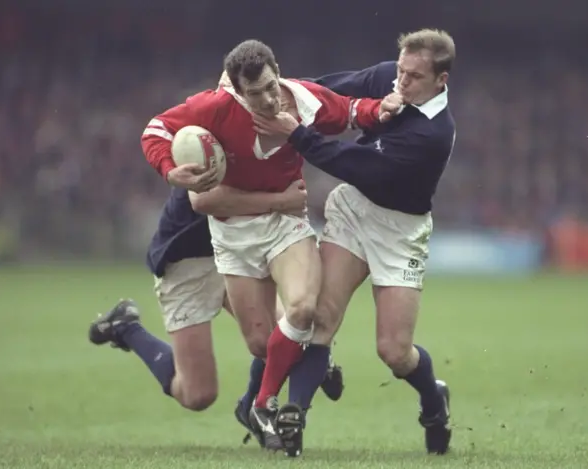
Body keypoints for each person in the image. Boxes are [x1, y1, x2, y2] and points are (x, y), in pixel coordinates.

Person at [139, 39, 399, 453]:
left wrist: (378, 110)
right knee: (261, 345)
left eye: (270, 85)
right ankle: (264, 394)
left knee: (302, 309)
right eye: (255, 93)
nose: (267, 98)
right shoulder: (214, 110)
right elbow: (155, 129)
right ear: (237, 93)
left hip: (286, 226)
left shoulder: (300, 98)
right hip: (231, 237)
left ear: (278, 71)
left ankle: (262, 403)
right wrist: (170, 170)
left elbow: (348, 110)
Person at [252, 29, 456, 456]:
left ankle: (434, 401)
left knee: (395, 352)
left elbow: (352, 162)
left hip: (400, 232)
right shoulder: (388, 77)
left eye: (415, 76)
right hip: (354, 210)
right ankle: (295, 413)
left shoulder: (432, 136)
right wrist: (282, 93)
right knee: (320, 318)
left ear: (442, 80)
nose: (401, 81)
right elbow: (329, 90)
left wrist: (296, 134)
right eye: (400, 69)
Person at [87, 184, 345, 441]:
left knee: (282, 335)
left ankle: (251, 407)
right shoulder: (204, 146)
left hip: (238, 249)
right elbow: (208, 201)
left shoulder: (263, 145)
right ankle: (127, 327)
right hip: (187, 260)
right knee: (197, 394)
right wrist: (281, 198)